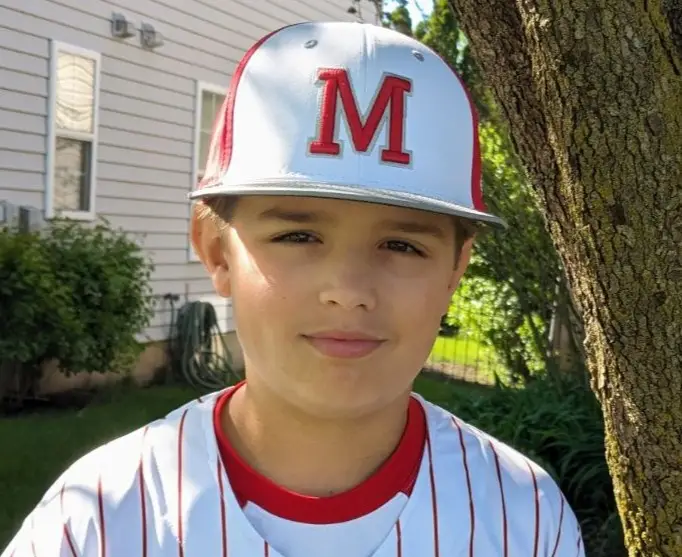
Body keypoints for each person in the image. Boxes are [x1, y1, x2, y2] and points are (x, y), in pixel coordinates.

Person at [2, 21, 585, 557]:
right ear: (216, 252)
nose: (349, 291)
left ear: (456, 269)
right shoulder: (96, 519)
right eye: (298, 235)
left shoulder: (525, 517)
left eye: (403, 245)